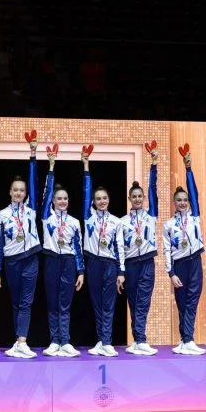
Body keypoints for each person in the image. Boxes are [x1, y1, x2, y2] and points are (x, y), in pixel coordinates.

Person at [0, 138, 42, 358]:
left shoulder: (30, 210)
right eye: (15, 190)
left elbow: (34, 182)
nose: (19, 193)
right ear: (10, 192)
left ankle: (22, 341)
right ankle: (18, 341)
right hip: (11, 261)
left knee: (26, 302)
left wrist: (33, 156)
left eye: (22, 190)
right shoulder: (2, 215)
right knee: (15, 303)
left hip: (31, 258)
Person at [41, 146, 85, 357]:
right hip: (51, 260)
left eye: (65, 198)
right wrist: (51, 166)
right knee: (52, 303)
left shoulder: (74, 222)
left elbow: (78, 248)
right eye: (58, 198)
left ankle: (65, 341)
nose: (62, 201)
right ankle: (54, 341)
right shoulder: (46, 217)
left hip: (68, 262)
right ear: (53, 201)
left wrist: (81, 271)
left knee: (65, 304)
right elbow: (46, 192)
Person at [82, 148, 125, 357]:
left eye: (104, 198)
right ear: (93, 202)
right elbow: (86, 190)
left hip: (109, 264)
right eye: (98, 198)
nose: (101, 201)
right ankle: (101, 340)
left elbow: (120, 247)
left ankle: (107, 342)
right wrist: (86, 166)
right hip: (92, 262)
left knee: (108, 304)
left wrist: (121, 271)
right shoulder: (88, 217)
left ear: (109, 200)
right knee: (96, 304)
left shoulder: (116, 221)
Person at [163, 149, 206, 355]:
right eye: (179, 200)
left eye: (185, 200)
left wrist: (188, 168)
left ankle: (188, 339)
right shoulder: (169, 224)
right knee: (182, 303)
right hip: (179, 265)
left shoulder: (194, 216)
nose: (182, 203)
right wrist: (171, 273)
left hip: (195, 261)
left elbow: (194, 192)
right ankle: (185, 340)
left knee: (192, 301)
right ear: (174, 202)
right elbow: (166, 250)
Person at [122, 144, 159, 355]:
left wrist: (154, 164)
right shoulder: (123, 221)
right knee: (133, 302)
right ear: (129, 199)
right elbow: (120, 248)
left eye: (140, 196)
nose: (137, 199)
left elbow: (153, 189)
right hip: (130, 265)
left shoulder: (151, 216)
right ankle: (137, 340)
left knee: (143, 301)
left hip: (146, 261)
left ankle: (141, 339)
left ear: (144, 198)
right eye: (134, 196)